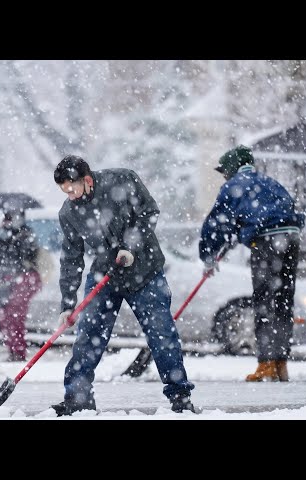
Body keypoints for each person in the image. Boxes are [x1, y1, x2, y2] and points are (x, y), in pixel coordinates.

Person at [51, 155, 195, 416]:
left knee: (161, 334)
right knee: (88, 336)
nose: (69, 194)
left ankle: (180, 397)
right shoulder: (69, 213)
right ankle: (77, 399)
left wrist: (131, 247)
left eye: (72, 187)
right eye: (64, 190)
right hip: (105, 276)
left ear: (87, 179)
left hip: (144, 271)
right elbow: (71, 259)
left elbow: (149, 212)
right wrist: (67, 304)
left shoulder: (122, 180)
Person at [199, 145, 305, 382]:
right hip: (291, 239)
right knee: (283, 301)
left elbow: (216, 224)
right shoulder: (270, 183)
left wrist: (208, 256)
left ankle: (266, 364)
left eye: (225, 171)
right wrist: (244, 231)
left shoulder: (233, 186)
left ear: (232, 169)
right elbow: (286, 212)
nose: (224, 176)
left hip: (268, 244)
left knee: (264, 302)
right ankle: (280, 363)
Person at [0, 206, 42, 362]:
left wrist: (16, 238)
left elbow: (27, 256)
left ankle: (18, 352)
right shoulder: (1, 235)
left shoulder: (26, 235)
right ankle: (12, 350)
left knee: (15, 315)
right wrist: (3, 237)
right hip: (7, 278)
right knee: (5, 315)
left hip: (24, 277)